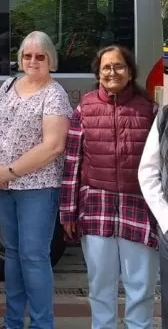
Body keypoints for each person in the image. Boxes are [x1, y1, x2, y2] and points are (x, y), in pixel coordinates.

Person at [61, 44, 158, 329]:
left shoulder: (149, 109)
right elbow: (72, 164)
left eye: (119, 66)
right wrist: (68, 212)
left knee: (140, 290)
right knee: (100, 290)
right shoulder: (86, 107)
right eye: (106, 67)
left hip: (139, 208)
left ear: (130, 72)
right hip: (96, 208)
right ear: (98, 73)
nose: (112, 72)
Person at [0, 30, 72, 329]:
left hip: (38, 188)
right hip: (4, 186)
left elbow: (53, 146)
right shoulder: (8, 85)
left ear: (51, 60)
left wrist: (11, 171)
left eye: (40, 56)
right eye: (27, 55)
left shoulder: (54, 93)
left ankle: (42, 324)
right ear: (20, 58)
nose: (32, 61)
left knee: (33, 256)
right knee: (12, 254)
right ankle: (12, 322)